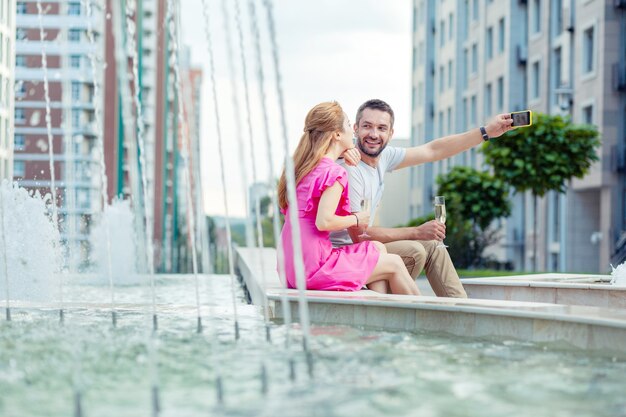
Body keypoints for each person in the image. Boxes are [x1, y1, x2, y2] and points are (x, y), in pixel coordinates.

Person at [330, 99, 514, 297]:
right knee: (415, 250)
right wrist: (417, 231)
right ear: (356, 129)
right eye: (367, 126)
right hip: (346, 255)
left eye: (381, 128)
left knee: (433, 245)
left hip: (366, 249)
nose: (374, 134)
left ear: (391, 133)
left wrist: (486, 132)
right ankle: (392, 310)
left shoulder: (384, 157)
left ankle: (460, 310)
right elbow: (360, 236)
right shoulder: (350, 168)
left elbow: (433, 150)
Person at [277, 101, 420, 295]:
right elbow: (324, 221)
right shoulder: (334, 172)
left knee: (376, 248)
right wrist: (357, 219)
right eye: (347, 126)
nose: (352, 132)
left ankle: (377, 308)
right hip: (314, 268)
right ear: (336, 135)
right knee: (394, 263)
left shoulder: (304, 167)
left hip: (292, 266)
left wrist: (344, 152)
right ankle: (429, 318)